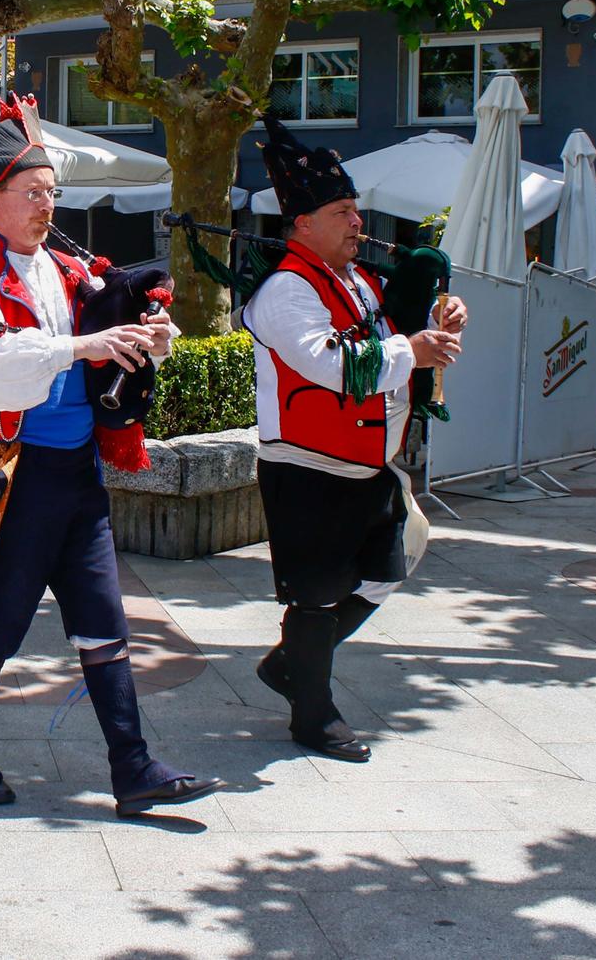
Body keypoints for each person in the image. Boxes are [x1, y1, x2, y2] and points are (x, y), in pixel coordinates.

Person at [0, 97, 222, 817]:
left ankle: (134, 767)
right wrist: (81, 345)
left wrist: (152, 335)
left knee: (104, 617)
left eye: (50, 194)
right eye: (30, 193)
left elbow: (125, 323)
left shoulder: (71, 271)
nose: (43, 205)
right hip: (12, 470)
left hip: (77, 474)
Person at [242, 118, 465, 763]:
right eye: (342, 211)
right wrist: (411, 349)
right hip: (308, 466)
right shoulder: (288, 288)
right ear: (303, 222)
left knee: (391, 566)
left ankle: (293, 664)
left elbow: (392, 336)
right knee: (315, 592)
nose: (357, 222)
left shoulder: (356, 281)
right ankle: (313, 713)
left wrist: (439, 320)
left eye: (356, 209)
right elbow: (328, 363)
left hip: (369, 462)